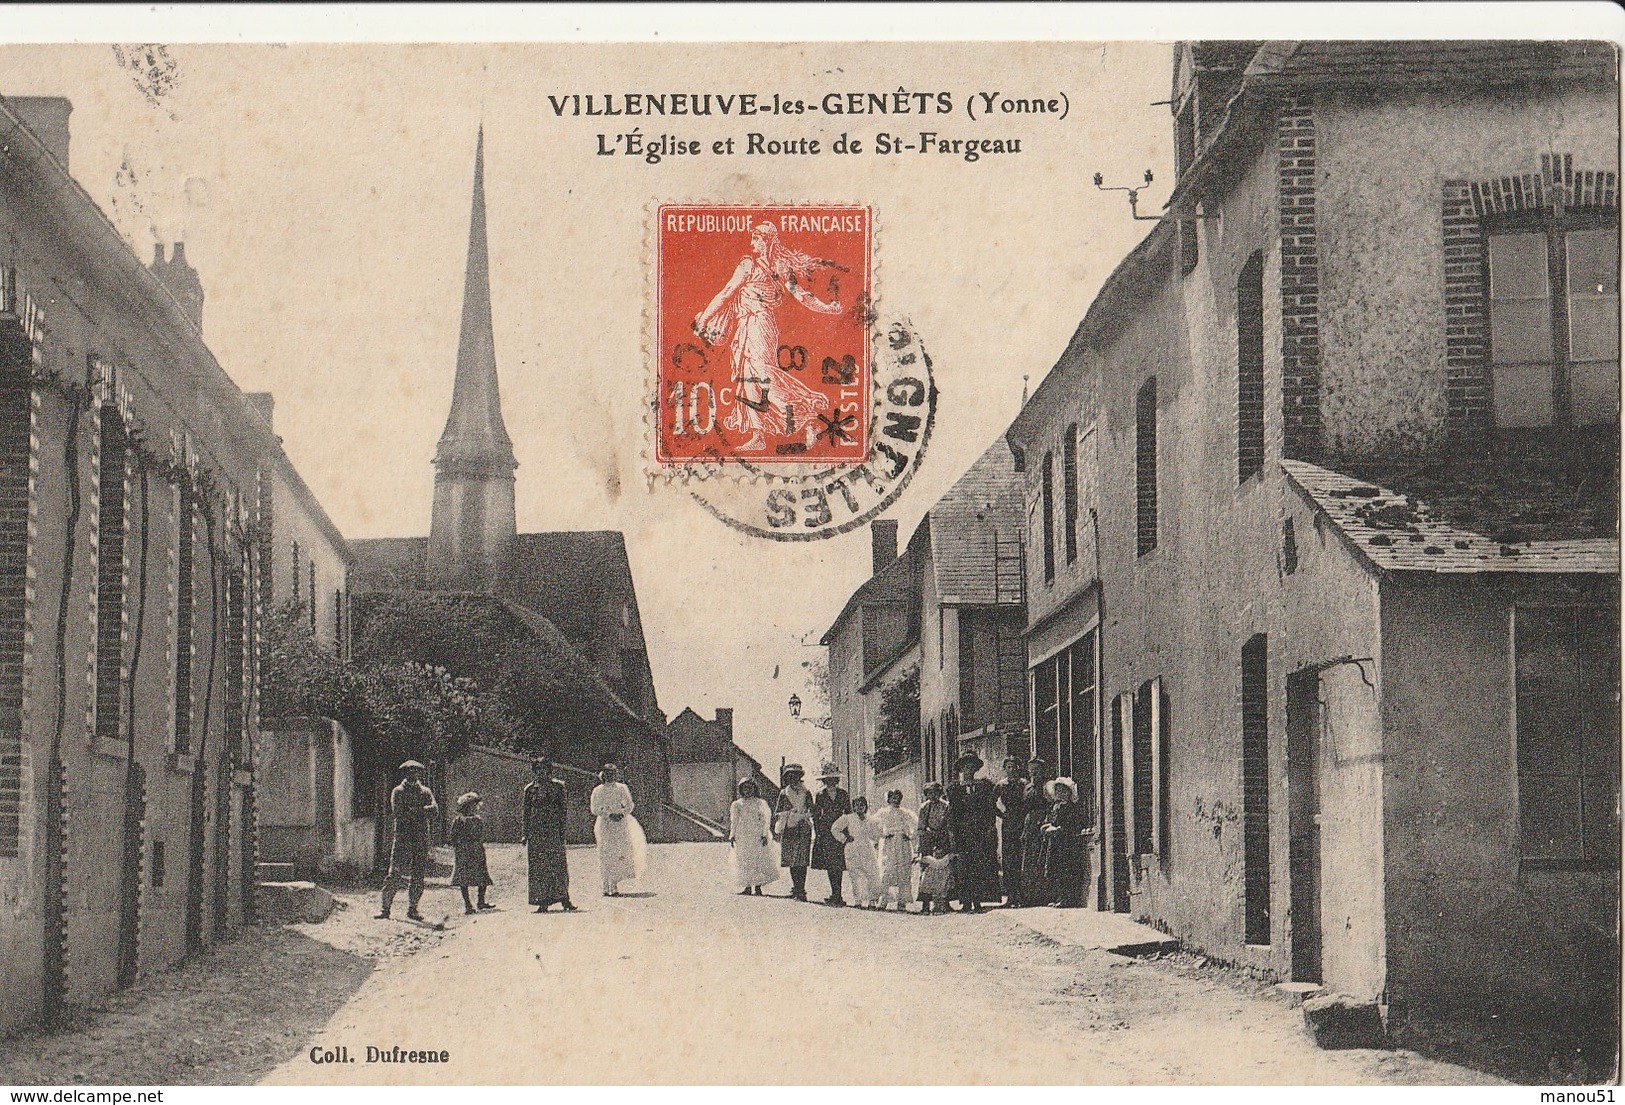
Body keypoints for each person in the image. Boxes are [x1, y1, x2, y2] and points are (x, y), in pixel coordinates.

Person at [692, 221, 843, 453]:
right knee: (748, 377)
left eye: (756, 239)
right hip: (745, 326)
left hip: (761, 325)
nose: (752, 243)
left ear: (766, 240)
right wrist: (706, 317)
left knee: (762, 373)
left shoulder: (769, 265)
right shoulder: (750, 264)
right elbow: (727, 293)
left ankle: (806, 406)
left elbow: (800, 295)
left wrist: (826, 308)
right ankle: (758, 434)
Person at [378, 760, 437, 921]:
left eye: (417, 771)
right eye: (410, 771)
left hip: (421, 838)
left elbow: (435, 811)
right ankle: (385, 909)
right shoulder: (398, 791)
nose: (413, 774)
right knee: (394, 874)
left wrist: (414, 810)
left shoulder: (425, 791)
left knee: (418, 875)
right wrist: (421, 812)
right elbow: (399, 813)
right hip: (402, 838)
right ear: (404, 773)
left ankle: (413, 909)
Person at [523, 757, 577, 913]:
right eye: (538, 769)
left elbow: (563, 811)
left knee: (558, 865)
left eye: (545, 769)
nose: (542, 773)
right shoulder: (530, 789)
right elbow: (526, 813)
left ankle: (564, 899)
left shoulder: (558, 787)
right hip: (536, 832)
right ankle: (542, 901)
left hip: (553, 831)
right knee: (539, 867)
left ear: (549, 770)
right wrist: (525, 833)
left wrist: (562, 830)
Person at [947, 752, 1000, 914]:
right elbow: (953, 813)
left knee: (979, 865)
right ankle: (965, 901)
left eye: (971, 766)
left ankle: (978, 900)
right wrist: (953, 833)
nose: (968, 769)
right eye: (965, 767)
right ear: (961, 769)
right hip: (963, 832)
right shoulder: (955, 788)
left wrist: (990, 826)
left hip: (979, 832)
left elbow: (990, 807)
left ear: (976, 768)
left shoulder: (983, 786)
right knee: (963, 867)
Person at [589, 763, 647, 896]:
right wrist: (608, 814)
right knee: (605, 853)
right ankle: (605, 886)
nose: (610, 776)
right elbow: (594, 808)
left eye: (613, 773)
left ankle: (614, 886)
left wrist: (621, 814)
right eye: (608, 773)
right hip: (605, 824)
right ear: (603, 774)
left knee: (617, 853)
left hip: (620, 824)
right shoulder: (597, 790)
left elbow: (630, 804)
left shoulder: (622, 788)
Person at [1042, 778, 1095, 908]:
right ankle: (1060, 896)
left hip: (1067, 843)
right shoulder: (1056, 806)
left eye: (1064, 791)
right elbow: (1055, 821)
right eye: (1058, 791)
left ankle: (1067, 899)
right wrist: (1048, 826)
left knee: (1066, 869)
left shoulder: (1071, 808)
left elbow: (1072, 826)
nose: (1061, 793)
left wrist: (1056, 829)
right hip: (1056, 842)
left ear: (1069, 793)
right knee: (1056, 869)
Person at [830, 796, 883, 909]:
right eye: (857, 805)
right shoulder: (848, 818)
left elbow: (875, 834)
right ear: (853, 807)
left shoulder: (871, 819)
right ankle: (858, 900)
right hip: (853, 848)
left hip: (867, 848)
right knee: (856, 875)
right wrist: (844, 838)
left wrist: (876, 840)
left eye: (862, 805)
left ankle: (872, 900)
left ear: (865, 806)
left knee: (871, 873)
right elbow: (835, 828)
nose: (859, 807)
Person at [728, 778, 778, 895]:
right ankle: (747, 886)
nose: (748, 791)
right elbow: (734, 821)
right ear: (741, 789)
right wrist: (732, 834)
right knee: (744, 859)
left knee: (758, 858)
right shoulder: (737, 804)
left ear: (754, 789)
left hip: (756, 833)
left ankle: (758, 885)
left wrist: (765, 834)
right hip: (743, 834)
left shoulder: (760, 803)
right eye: (745, 788)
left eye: (750, 788)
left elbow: (766, 819)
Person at [811, 764, 852, 906]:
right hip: (826, 832)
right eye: (828, 779)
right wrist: (818, 831)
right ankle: (834, 893)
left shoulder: (843, 794)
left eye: (833, 779)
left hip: (840, 830)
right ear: (824, 781)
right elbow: (816, 815)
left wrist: (848, 831)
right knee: (830, 863)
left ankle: (838, 894)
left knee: (839, 863)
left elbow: (848, 813)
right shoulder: (820, 795)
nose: (831, 782)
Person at [773, 763, 814, 900]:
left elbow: (812, 809)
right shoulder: (784, 793)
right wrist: (788, 815)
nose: (793, 778)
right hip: (789, 827)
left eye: (795, 776)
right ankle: (795, 887)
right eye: (790, 776)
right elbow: (778, 811)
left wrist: (804, 815)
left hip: (803, 827)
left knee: (801, 859)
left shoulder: (806, 792)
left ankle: (801, 889)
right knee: (791, 859)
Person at [449, 792, 494, 915]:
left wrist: (478, 845)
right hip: (463, 852)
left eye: (476, 805)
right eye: (472, 805)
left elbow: (481, 835)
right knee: (463, 879)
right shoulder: (458, 821)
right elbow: (453, 837)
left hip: (477, 851)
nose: (475, 808)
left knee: (482, 876)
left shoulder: (478, 820)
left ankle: (481, 901)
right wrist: (459, 846)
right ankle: (467, 904)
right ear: (465, 807)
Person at [1019, 758, 1055, 908]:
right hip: (1030, 824)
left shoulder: (1048, 786)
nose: (1034, 772)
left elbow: (1052, 803)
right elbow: (1024, 807)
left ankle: (1043, 895)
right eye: (1032, 769)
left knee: (1041, 858)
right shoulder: (1027, 787)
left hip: (1042, 822)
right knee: (1029, 859)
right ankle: (1029, 896)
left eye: (1037, 769)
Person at [995, 756, 1030, 908]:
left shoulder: (1025, 784)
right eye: (1008, 767)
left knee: (1022, 857)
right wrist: (1002, 814)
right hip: (1008, 823)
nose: (1011, 769)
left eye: (1014, 766)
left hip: (1023, 821)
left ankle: (1023, 896)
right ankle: (1010, 896)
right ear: (1005, 769)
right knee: (1009, 859)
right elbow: (990, 802)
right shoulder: (1001, 785)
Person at [874, 789, 917, 911]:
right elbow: (873, 824)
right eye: (893, 797)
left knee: (904, 870)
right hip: (889, 844)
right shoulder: (883, 812)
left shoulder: (905, 813)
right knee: (887, 870)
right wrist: (883, 834)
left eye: (898, 797)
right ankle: (883, 899)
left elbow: (916, 824)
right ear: (888, 799)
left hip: (903, 844)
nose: (895, 800)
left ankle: (902, 901)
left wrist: (910, 835)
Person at [915, 782, 951, 911]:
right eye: (929, 793)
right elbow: (921, 827)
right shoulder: (924, 807)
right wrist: (924, 838)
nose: (933, 796)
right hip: (928, 840)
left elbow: (949, 823)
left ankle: (944, 903)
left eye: (935, 792)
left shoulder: (946, 806)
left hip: (943, 839)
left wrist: (944, 837)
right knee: (926, 871)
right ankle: (925, 904)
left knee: (944, 871)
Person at [917, 844, 956, 915]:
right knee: (933, 890)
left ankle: (939, 907)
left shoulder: (945, 859)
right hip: (933, 875)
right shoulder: (931, 860)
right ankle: (928, 907)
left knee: (940, 892)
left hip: (940, 875)